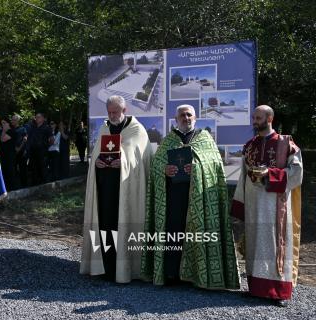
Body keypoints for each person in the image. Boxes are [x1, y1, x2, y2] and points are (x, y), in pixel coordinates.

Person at [141, 104, 240, 290]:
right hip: (174, 197)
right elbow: (155, 167)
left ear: (195, 118)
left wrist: (198, 168)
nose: (186, 118)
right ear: (176, 119)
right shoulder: (169, 140)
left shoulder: (205, 139)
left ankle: (197, 275)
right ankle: (171, 273)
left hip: (200, 198)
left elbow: (215, 167)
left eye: (189, 115)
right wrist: (164, 170)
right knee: (172, 232)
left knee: (198, 233)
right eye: (182, 115)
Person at [231, 105, 303, 307]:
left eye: (258, 117)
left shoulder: (286, 144)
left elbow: (297, 174)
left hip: (275, 205)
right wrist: (239, 205)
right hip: (254, 203)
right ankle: (256, 289)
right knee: (255, 245)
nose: (254, 121)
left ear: (270, 118)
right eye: (253, 117)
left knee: (275, 246)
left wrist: (270, 174)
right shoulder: (250, 145)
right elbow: (243, 177)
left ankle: (277, 292)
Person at [80, 95, 152, 282]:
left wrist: (124, 162)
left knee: (123, 225)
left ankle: (125, 268)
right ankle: (105, 265)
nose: (112, 116)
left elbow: (139, 158)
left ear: (124, 110)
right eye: (109, 112)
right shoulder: (105, 128)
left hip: (126, 190)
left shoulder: (137, 130)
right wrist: (97, 163)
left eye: (115, 112)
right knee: (104, 224)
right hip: (105, 189)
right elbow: (98, 154)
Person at [27, 113, 52, 186]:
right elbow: (29, 138)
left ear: (43, 118)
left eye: (39, 117)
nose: (37, 118)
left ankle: (45, 185)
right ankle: (35, 185)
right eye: (36, 117)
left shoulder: (47, 128)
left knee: (43, 168)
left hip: (42, 152)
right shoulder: (33, 128)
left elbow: (52, 139)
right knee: (34, 168)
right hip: (33, 152)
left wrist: (46, 146)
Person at [0, 119, 17, 191]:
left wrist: (4, 130)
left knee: (11, 172)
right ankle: (5, 188)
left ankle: (13, 188)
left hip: (10, 155)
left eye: (4, 123)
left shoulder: (12, 131)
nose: (3, 124)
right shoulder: (1, 131)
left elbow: (3, 139)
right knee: (4, 172)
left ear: (8, 123)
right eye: (2, 123)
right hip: (3, 155)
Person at [11, 114, 28, 188]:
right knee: (13, 169)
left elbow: (25, 139)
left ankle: (24, 185)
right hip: (12, 153)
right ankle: (14, 185)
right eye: (12, 119)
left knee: (22, 168)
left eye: (14, 120)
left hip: (21, 152)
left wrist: (19, 148)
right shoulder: (10, 129)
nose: (12, 121)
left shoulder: (23, 129)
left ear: (18, 121)